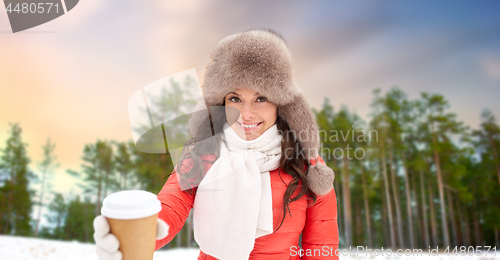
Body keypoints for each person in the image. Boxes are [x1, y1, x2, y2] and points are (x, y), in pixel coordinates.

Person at [94, 29, 339, 260]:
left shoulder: (307, 166)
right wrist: (139, 234)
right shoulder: (204, 153)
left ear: (281, 104)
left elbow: (321, 247)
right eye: (235, 98)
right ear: (220, 103)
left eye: (260, 98)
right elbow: (171, 205)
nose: (246, 113)